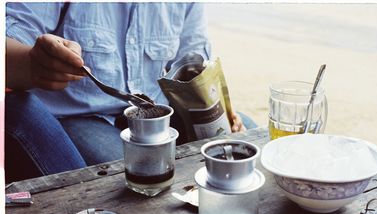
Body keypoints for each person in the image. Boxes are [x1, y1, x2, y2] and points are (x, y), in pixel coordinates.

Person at [5, 2, 257, 182]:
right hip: (81, 117)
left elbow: (193, 65)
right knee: (141, 170)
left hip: (157, 114)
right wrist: (34, 63)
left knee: (247, 135)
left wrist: (221, 109)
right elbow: (10, 37)